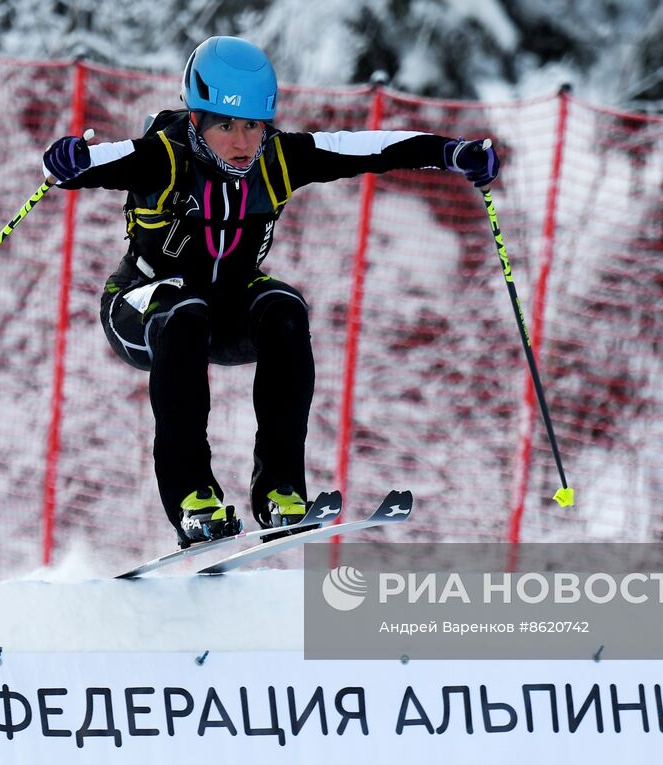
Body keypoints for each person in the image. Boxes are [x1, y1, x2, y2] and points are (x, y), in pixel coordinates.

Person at [42, 36, 500, 548]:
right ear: (196, 122)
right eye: (225, 126)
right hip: (142, 305)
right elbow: (86, 164)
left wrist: (449, 152)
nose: (242, 142)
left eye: (253, 126)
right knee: (185, 310)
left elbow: (369, 147)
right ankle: (193, 499)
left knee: (284, 308)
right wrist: (65, 160)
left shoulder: (279, 160)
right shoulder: (163, 159)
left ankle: (279, 493)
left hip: (224, 311)